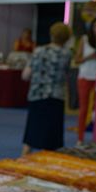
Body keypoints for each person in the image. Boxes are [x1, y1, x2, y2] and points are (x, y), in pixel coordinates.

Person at [21, 22, 72, 155]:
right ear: (66, 38)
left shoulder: (38, 51)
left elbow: (25, 75)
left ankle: (21, 164)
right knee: (52, 139)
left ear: (51, 35)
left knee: (31, 135)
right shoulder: (66, 54)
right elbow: (67, 75)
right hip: (56, 97)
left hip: (37, 95)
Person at [72, 16, 96, 143]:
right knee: (84, 108)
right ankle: (80, 138)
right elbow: (76, 60)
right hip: (85, 76)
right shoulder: (85, 39)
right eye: (95, 26)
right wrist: (89, 57)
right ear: (91, 27)